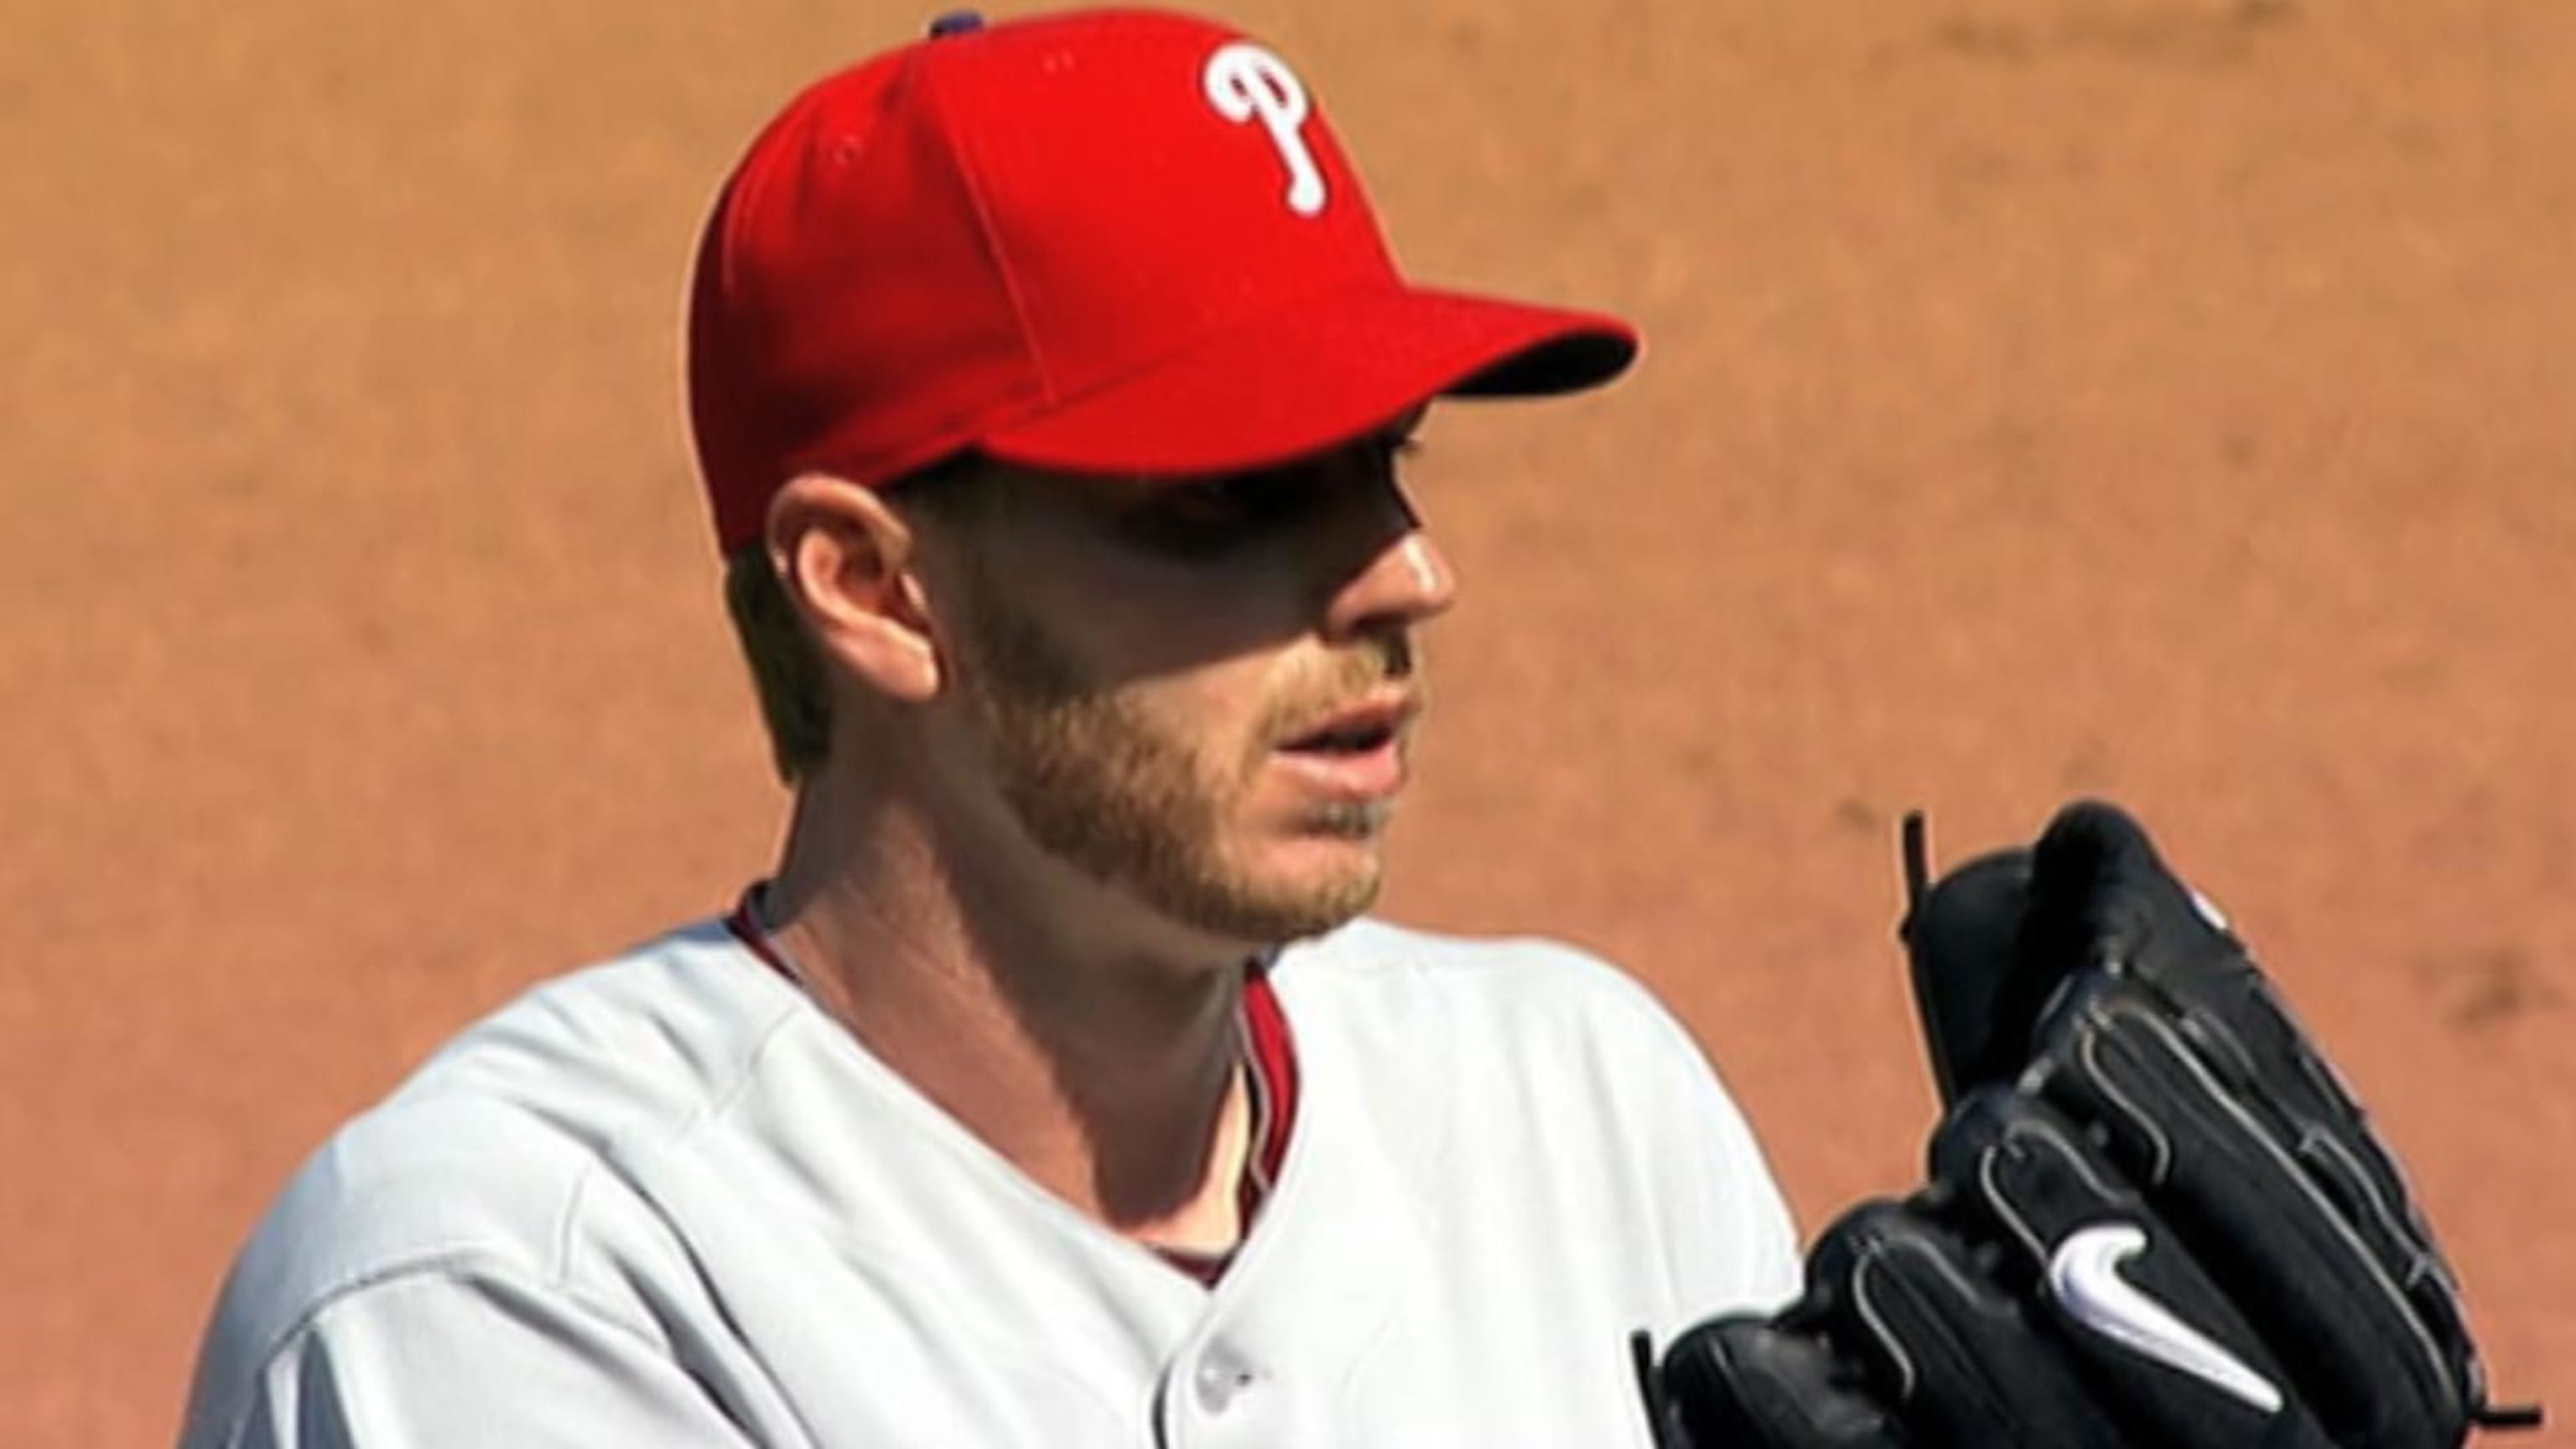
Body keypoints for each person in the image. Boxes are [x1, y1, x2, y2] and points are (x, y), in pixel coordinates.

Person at [178, 9, 1800, 1445]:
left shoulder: (1587, 1114)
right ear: (875, 590)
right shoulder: (521, 1287)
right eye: (1234, 494)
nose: (1409, 573)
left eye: (1391, 459)